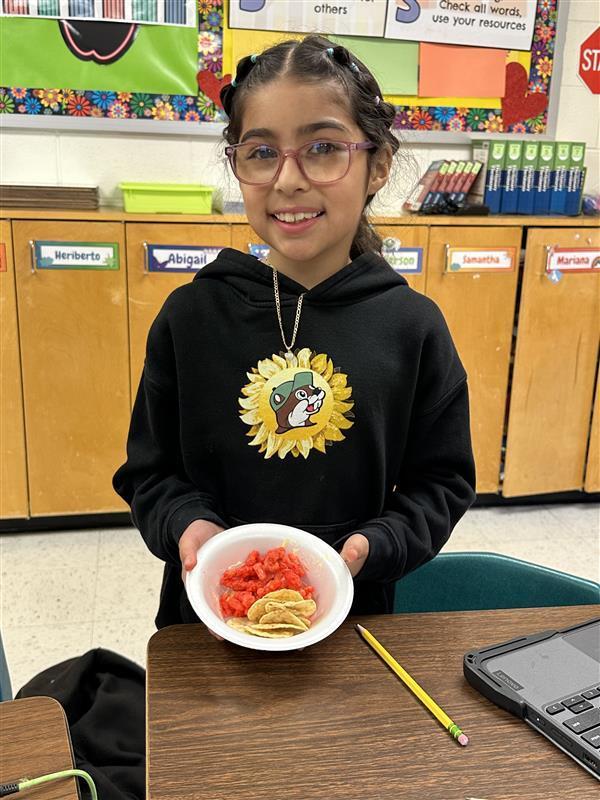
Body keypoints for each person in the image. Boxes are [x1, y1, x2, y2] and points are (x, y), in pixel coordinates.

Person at [113, 34, 476, 629]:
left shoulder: (413, 327)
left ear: (378, 164)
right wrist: (187, 523)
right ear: (237, 164)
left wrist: (376, 544)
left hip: (355, 615)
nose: (288, 179)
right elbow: (148, 471)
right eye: (260, 152)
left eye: (324, 148)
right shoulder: (190, 317)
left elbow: (442, 481)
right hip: (208, 613)